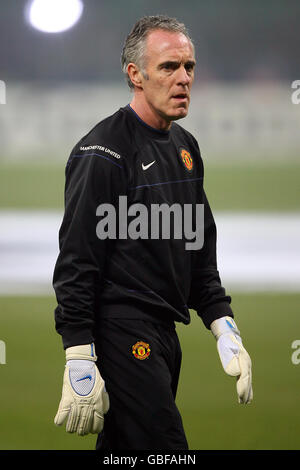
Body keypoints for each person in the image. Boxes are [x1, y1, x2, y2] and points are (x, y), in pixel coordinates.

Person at [53, 15, 253, 451]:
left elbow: (198, 249)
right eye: (169, 67)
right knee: (165, 451)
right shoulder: (103, 152)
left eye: (189, 67)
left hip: (165, 334)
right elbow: (77, 262)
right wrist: (79, 355)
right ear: (135, 75)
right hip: (123, 334)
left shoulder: (185, 146)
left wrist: (224, 326)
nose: (183, 79)